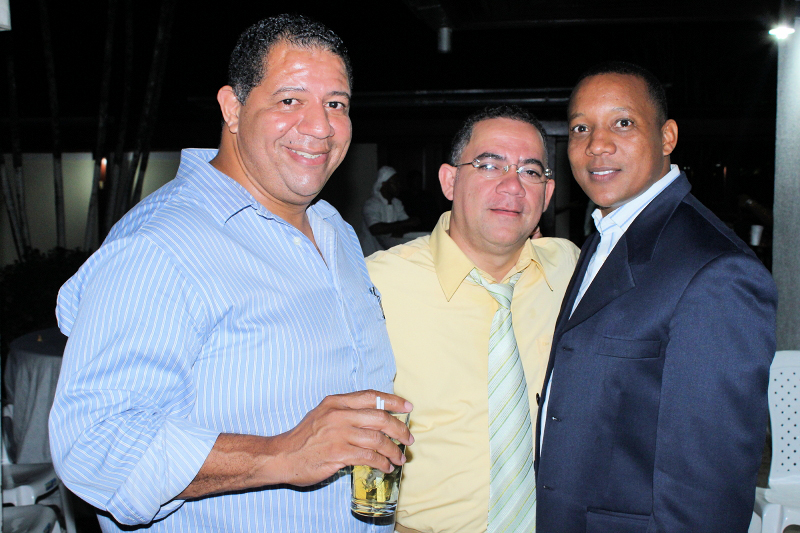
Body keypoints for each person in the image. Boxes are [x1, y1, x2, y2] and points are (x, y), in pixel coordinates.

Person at [48, 14, 412, 533]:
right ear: (232, 108)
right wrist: (280, 454)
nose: (320, 126)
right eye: (290, 100)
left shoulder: (335, 231)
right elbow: (95, 442)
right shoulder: (160, 245)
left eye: (336, 104)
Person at [535, 62, 777, 532]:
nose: (596, 144)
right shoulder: (608, 233)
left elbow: (709, 485)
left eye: (622, 123)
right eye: (581, 128)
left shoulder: (715, 272)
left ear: (667, 137)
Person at [367, 106, 580, 533]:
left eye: (530, 172)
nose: (512, 186)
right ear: (449, 181)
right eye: (489, 165)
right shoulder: (376, 285)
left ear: (547, 194)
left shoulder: (572, 269)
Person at [361, 166, 423, 254]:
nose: (399, 186)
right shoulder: (371, 204)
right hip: (371, 253)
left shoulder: (397, 203)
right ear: (383, 184)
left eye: (399, 182)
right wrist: (402, 225)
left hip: (389, 253)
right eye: (395, 183)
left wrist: (401, 228)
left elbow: (407, 224)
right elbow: (375, 229)